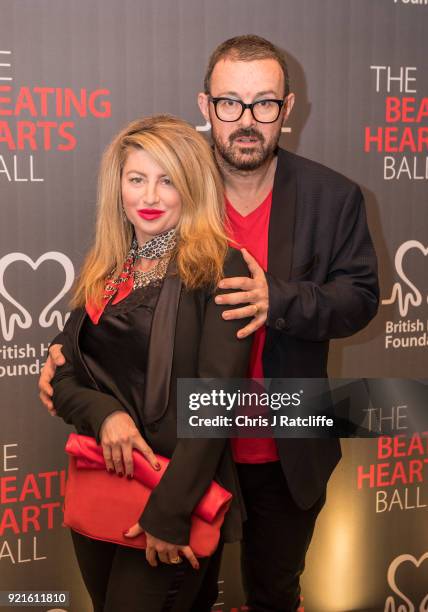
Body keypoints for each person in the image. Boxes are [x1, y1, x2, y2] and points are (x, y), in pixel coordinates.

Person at [40, 35, 379, 612]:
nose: (246, 121)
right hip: (181, 457)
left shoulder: (334, 197)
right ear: (206, 107)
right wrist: (66, 351)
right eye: (230, 103)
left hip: (282, 447)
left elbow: (360, 298)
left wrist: (277, 299)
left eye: (264, 103)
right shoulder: (172, 188)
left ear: (287, 110)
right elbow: (120, 293)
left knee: (273, 590)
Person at [49, 114, 253, 612]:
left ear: (191, 187)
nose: (150, 197)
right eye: (136, 179)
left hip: (171, 497)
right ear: (118, 186)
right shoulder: (110, 266)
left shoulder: (217, 266)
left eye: (167, 181)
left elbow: (217, 401)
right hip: (104, 482)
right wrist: (105, 415)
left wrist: (170, 512)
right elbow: (62, 371)